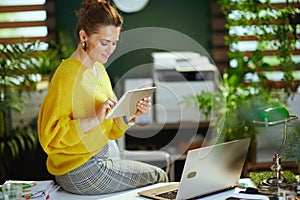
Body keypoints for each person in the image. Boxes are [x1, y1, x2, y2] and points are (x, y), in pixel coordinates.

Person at [38, 0, 168, 195]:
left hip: (101, 159)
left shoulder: (98, 68)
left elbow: (112, 129)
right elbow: (50, 136)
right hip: (81, 168)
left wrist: (131, 112)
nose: (110, 49)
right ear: (84, 36)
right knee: (159, 178)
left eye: (114, 43)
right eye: (104, 43)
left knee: (159, 178)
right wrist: (94, 119)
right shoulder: (67, 76)